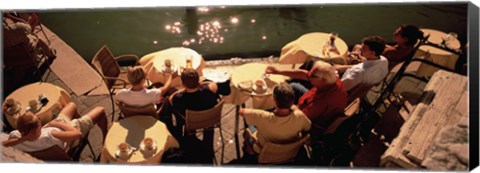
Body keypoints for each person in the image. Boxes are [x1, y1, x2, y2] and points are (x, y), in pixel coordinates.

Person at [265, 60, 347, 134]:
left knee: (281, 103)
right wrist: (278, 71)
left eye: (312, 76)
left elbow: (300, 117)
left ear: (322, 80)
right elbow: (304, 74)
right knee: (293, 85)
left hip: (310, 122)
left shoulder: (321, 102)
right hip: (309, 99)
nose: (309, 76)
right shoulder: (332, 79)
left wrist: (288, 106)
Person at [2, 102, 108, 152]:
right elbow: (77, 134)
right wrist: (57, 124)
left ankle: (84, 122)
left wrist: (24, 138)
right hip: (68, 132)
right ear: (36, 128)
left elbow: (3, 145)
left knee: (71, 105)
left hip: (56, 129)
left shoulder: (15, 137)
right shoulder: (51, 135)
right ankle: (105, 138)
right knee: (100, 110)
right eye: (38, 120)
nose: (39, 119)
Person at [239, 82, 311, 154]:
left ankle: (250, 148)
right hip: (290, 152)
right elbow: (308, 126)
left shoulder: (261, 116)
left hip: (265, 151)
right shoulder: (300, 116)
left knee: (249, 126)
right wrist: (295, 108)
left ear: (274, 100)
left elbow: (241, 112)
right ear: (292, 101)